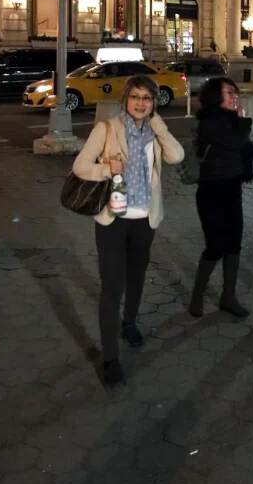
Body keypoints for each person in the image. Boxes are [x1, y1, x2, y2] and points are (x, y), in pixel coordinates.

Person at [73, 75, 184, 387]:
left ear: (154, 103)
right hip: (113, 220)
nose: (140, 103)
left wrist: (159, 124)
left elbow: (177, 156)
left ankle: (130, 322)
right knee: (112, 287)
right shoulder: (107, 128)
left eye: (147, 98)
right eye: (135, 96)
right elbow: (80, 166)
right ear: (126, 100)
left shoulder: (154, 133)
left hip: (145, 219)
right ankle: (110, 358)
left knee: (136, 277)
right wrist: (106, 169)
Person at [189, 77, 253, 318]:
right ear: (215, 97)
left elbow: (246, 148)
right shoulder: (209, 122)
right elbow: (236, 142)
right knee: (215, 247)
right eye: (229, 93)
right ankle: (197, 295)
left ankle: (228, 297)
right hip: (211, 192)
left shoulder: (231, 122)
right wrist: (243, 119)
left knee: (234, 244)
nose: (235, 97)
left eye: (235, 92)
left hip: (232, 190)